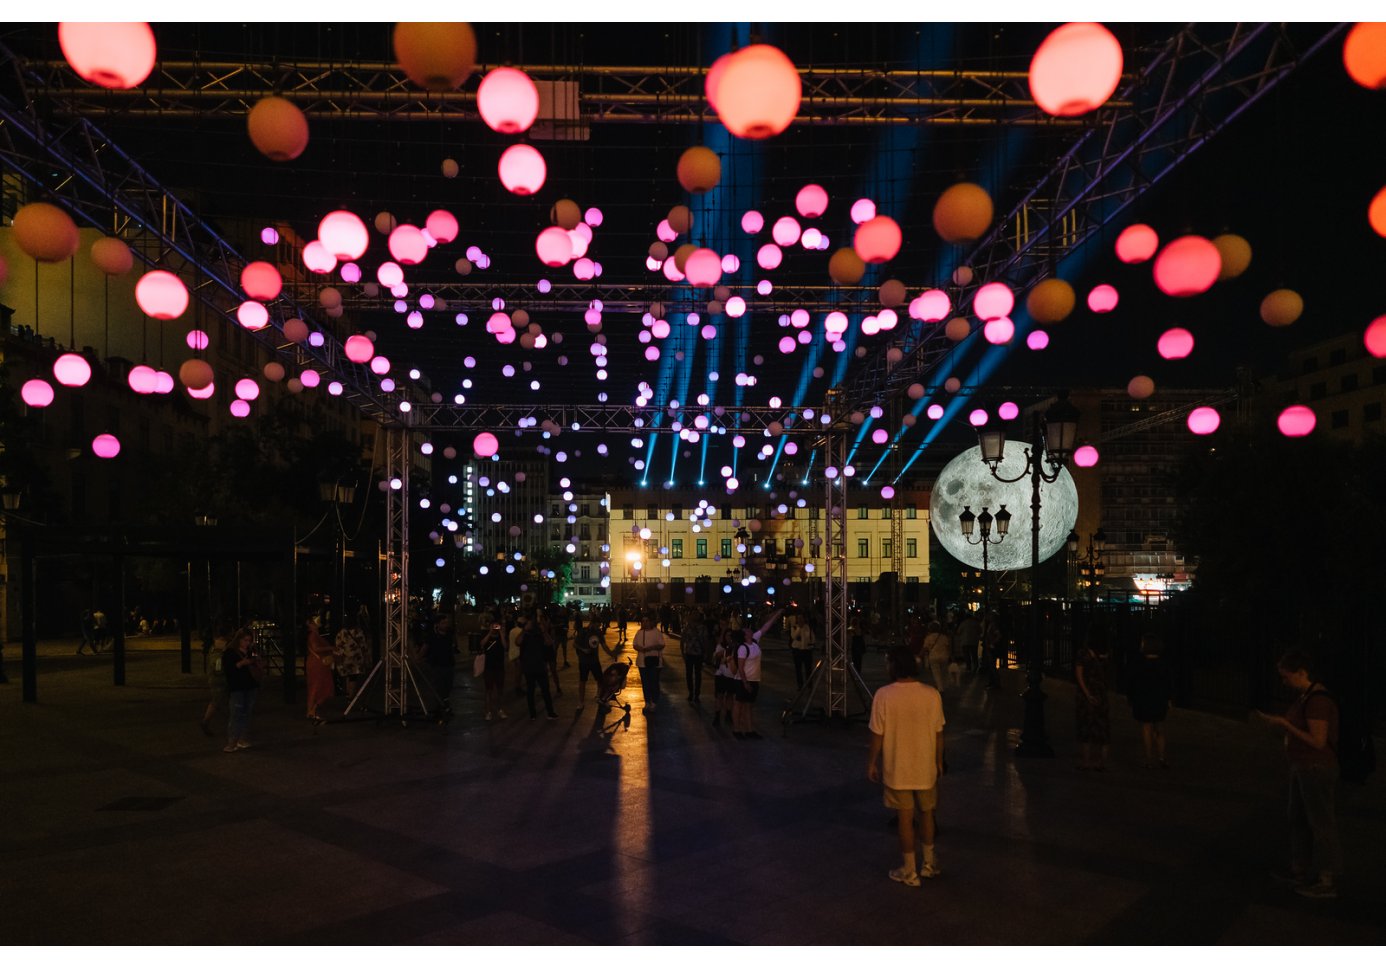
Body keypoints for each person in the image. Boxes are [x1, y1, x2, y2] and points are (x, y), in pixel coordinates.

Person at [1256, 650, 1341, 899]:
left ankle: (1327, 879)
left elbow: (1318, 741)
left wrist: (1285, 726)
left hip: (1315, 767)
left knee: (1321, 822)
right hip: (1302, 766)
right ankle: (1300, 870)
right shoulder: (1306, 696)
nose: (1284, 682)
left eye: (1286, 676)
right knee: (1299, 818)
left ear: (1302, 672)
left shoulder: (1317, 700)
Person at [867, 646, 946, 887]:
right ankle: (930, 864)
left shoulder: (883, 695)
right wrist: (939, 760)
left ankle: (910, 870)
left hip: (897, 767)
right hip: (925, 767)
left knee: (904, 818)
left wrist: (872, 762)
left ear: (894, 666)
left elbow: (877, 735)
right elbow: (939, 732)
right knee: (927, 814)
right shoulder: (931, 694)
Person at [732, 609, 783, 739]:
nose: (749, 630)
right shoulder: (743, 648)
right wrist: (745, 683)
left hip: (754, 679)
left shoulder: (754, 641)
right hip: (743, 680)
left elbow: (765, 627)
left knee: (748, 706)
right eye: (747, 630)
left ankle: (749, 730)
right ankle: (737, 729)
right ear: (745, 635)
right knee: (739, 705)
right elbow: (741, 668)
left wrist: (776, 614)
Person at [1126, 631, 1172, 768]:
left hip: (1143, 698)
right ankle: (1162, 758)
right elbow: (1168, 683)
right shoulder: (1163, 664)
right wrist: (1169, 698)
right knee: (1159, 728)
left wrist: (1131, 698)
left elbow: (1132, 682)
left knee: (1146, 728)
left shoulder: (1139, 663)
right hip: (1159, 699)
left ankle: (1148, 759)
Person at [1074, 628, 1112, 771]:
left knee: (1086, 726)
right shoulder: (1106, 655)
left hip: (1087, 694)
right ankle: (1102, 761)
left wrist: (1087, 693)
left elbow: (1079, 675)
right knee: (1103, 727)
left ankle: (1086, 761)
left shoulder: (1083, 654)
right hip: (1101, 692)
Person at [222, 627, 261, 752]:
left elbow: (257, 664)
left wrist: (256, 661)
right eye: (245, 640)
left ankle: (242, 739)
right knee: (236, 713)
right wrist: (241, 663)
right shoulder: (230, 652)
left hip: (251, 685)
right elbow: (228, 670)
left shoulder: (251, 650)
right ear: (238, 639)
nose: (247, 643)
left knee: (247, 713)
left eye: (249, 641)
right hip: (237, 687)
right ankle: (232, 741)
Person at [518, 614, 558, 720]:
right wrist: (524, 630)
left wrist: (544, 631)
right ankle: (532, 713)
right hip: (529, 667)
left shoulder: (540, 634)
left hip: (540, 666)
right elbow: (517, 642)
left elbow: (550, 642)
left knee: (545, 690)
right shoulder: (525, 635)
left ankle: (550, 712)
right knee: (530, 691)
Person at [423, 611, 456, 713]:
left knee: (447, 687)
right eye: (443, 623)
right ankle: (437, 708)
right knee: (438, 687)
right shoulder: (432, 635)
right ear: (437, 624)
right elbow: (425, 647)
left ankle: (445, 705)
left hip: (448, 664)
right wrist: (419, 657)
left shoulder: (449, 634)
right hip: (436, 665)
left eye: (446, 623)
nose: (446, 625)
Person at [332, 610, 370, 700]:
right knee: (354, 676)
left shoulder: (341, 632)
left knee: (348, 675)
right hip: (356, 657)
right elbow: (363, 645)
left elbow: (337, 644)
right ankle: (351, 695)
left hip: (345, 657)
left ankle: (348, 692)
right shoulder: (358, 631)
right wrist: (366, 655)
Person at [632, 613, 666, 712]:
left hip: (654, 662)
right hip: (642, 662)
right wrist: (640, 648)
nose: (645, 623)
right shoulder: (639, 633)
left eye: (647, 621)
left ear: (651, 622)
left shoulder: (657, 632)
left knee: (654, 682)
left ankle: (654, 701)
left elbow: (662, 645)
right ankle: (647, 701)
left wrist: (652, 648)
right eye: (643, 621)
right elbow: (634, 645)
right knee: (645, 683)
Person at [575, 617, 612, 707]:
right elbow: (575, 644)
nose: (598, 628)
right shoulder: (583, 631)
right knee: (583, 681)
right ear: (592, 623)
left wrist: (611, 654)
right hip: (584, 661)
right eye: (597, 626)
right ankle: (581, 701)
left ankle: (598, 696)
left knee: (600, 679)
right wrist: (583, 650)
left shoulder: (598, 633)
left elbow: (604, 645)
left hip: (594, 661)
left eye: (599, 626)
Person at [304, 618, 335, 722]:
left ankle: (311, 710)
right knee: (319, 687)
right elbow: (316, 648)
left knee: (317, 687)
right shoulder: (313, 635)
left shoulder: (315, 635)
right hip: (317, 664)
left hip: (317, 663)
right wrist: (331, 648)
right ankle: (312, 710)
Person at [200, 626, 229, 737]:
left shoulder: (214, 644)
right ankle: (205, 722)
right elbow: (218, 665)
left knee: (217, 701)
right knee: (218, 701)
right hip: (219, 678)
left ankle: (206, 721)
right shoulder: (223, 646)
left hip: (214, 677)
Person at [478, 619, 508, 721]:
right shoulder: (486, 635)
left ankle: (500, 710)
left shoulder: (501, 636)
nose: (495, 628)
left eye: (497, 626)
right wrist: (490, 632)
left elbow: (505, 646)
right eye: (493, 626)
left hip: (499, 667)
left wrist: (501, 633)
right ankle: (488, 711)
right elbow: (482, 644)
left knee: (500, 690)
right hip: (488, 667)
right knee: (488, 691)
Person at [711, 628, 739, 727]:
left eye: (731, 636)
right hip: (721, 675)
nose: (729, 638)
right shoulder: (721, 646)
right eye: (727, 636)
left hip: (731, 675)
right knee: (719, 696)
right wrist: (726, 650)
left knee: (730, 696)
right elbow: (716, 657)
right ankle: (717, 716)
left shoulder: (737, 647)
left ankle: (728, 714)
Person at [679, 608, 708, 703]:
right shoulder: (687, 627)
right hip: (689, 653)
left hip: (698, 653)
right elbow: (682, 640)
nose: (695, 616)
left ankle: (696, 694)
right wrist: (682, 652)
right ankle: (691, 692)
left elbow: (705, 640)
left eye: (696, 614)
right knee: (689, 674)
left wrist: (705, 652)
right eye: (693, 614)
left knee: (697, 674)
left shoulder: (702, 627)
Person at [922, 620, 952, 694]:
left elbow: (925, 648)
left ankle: (940, 688)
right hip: (944, 656)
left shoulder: (928, 637)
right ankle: (944, 686)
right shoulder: (944, 637)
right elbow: (948, 647)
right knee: (943, 672)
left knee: (936, 673)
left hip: (933, 657)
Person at [789, 614, 816, 689]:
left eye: (801, 618)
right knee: (798, 669)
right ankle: (800, 685)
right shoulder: (794, 627)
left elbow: (813, 639)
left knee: (808, 669)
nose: (800, 620)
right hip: (797, 651)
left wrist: (810, 644)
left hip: (807, 651)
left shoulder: (808, 627)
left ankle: (809, 685)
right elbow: (793, 636)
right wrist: (799, 628)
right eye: (799, 618)